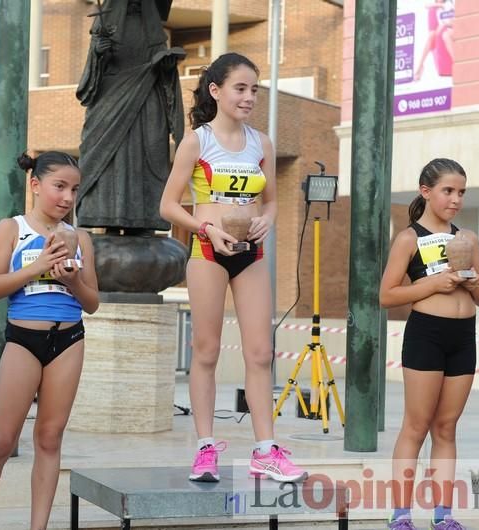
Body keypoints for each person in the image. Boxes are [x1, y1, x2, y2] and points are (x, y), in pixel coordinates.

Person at [160, 52, 306, 484]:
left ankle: (266, 450)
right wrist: (205, 226)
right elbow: (168, 204)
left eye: (254, 90)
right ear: (216, 91)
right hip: (208, 251)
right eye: (240, 88)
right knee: (205, 351)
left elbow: (274, 200)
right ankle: (205, 449)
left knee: (261, 353)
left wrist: (267, 219)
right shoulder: (197, 141)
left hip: (250, 254)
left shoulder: (262, 143)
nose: (248, 97)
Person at [0, 151, 99, 530]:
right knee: (2, 440)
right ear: (35, 185)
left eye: (74, 189)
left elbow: (93, 303)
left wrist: (73, 281)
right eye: (59, 187)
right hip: (23, 340)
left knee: (50, 438)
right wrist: (37, 267)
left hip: (69, 339)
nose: (68, 198)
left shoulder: (80, 238)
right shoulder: (12, 228)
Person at [379, 158, 479, 529]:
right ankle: (401, 513)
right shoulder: (409, 238)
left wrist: (471, 283)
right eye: (448, 191)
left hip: (463, 338)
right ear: (426, 191)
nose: (455, 199)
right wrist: (433, 284)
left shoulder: (467, 238)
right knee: (416, 425)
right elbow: (387, 295)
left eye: (461, 192)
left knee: (446, 427)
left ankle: (443, 516)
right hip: (426, 334)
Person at [76, 0, 185, 232]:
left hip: (148, 105)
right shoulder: (105, 27)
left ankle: (145, 222)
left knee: (147, 158)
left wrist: (166, 67)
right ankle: (108, 218)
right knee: (110, 161)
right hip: (110, 101)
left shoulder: (154, 33)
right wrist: (98, 53)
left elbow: (165, 75)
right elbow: (87, 86)